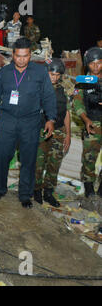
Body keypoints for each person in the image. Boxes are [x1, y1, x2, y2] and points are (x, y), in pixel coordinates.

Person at [0, 37, 57, 209]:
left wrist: (51, 119)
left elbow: (48, 96)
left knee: (28, 159)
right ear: (13, 55)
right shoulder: (5, 72)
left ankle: (25, 195)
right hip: (8, 119)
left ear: (30, 55)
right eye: (18, 56)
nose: (22, 59)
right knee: (1, 156)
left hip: (30, 121)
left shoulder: (40, 72)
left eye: (25, 56)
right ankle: (0, 189)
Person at [34, 58, 71, 207]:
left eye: (57, 75)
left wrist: (68, 134)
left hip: (59, 131)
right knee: (38, 163)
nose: (54, 77)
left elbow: (66, 112)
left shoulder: (63, 89)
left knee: (54, 164)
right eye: (51, 74)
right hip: (41, 130)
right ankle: (35, 191)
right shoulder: (38, 88)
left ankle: (48, 192)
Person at [73, 47, 102, 199]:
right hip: (93, 125)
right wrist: (86, 119)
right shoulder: (83, 81)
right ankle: (89, 187)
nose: (96, 67)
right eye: (92, 64)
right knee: (89, 158)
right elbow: (77, 104)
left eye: (99, 63)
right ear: (87, 64)